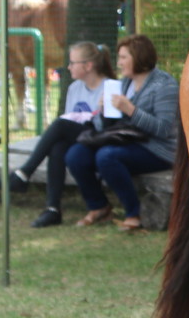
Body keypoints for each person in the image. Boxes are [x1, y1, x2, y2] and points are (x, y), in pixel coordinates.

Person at [63, 33, 178, 232]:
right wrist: (103, 112)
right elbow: (107, 128)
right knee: (76, 155)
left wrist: (131, 110)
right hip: (127, 142)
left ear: (139, 57)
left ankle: (134, 213)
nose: (119, 62)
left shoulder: (164, 85)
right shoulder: (123, 83)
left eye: (124, 57)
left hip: (158, 149)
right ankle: (98, 207)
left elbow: (164, 129)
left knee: (107, 157)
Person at [10, 41, 114, 228]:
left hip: (102, 139)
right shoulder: (74, 88)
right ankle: (52, 210)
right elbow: (71, 121)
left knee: (58, 125)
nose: (68, 67)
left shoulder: (110, 87)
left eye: (73, 63)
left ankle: (24, 173)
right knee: (57, 148)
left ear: (88, 66)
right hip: (81, 138)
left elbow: (107, 127)